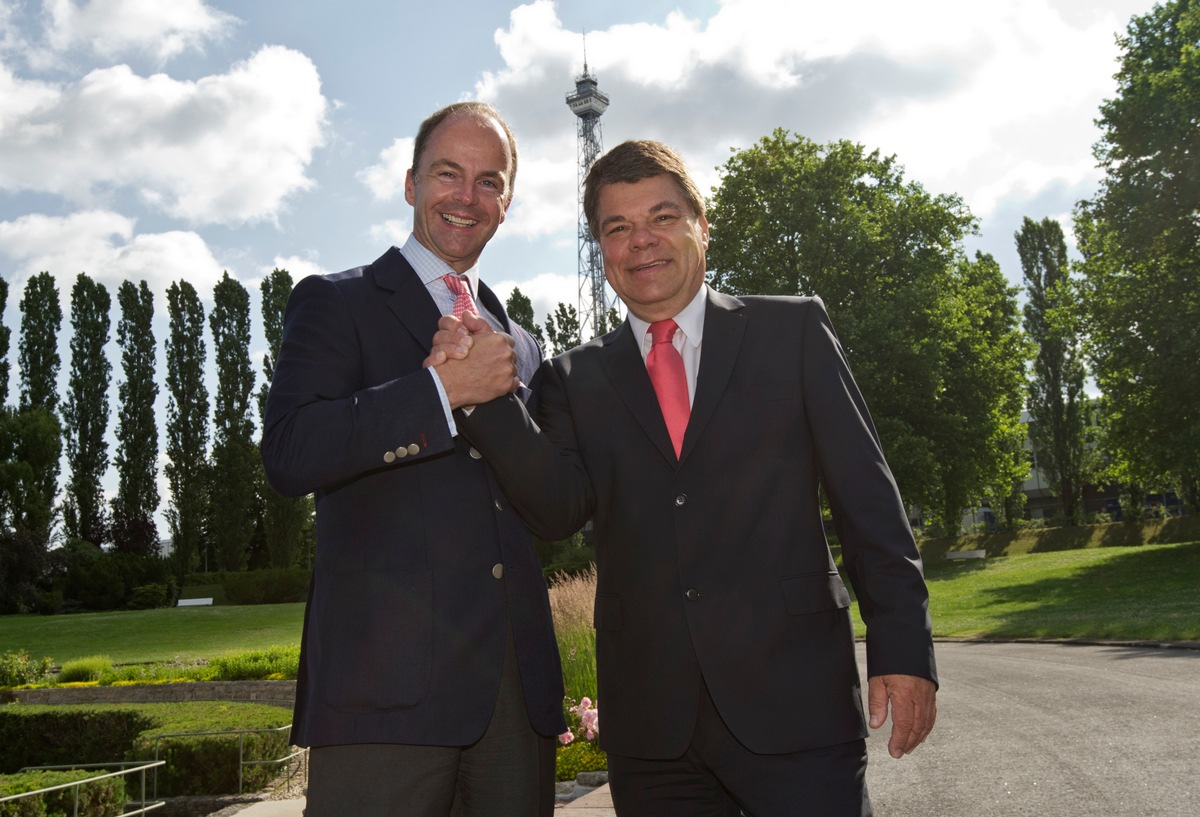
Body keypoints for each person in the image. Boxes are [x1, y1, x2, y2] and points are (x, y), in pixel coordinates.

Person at [433, 139, 938, 816]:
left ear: (702, 223)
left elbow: (869, 504)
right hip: (654, 734)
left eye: (662, 217)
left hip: (795, 708)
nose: (641, 242)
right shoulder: (573, 379)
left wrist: (902, 647)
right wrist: (482, 402)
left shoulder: (791, 332)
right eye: (617, 227)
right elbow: (556, 511)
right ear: (601, 249)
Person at [260, 101, 566, 817]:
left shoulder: (522, 345)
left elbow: (548, 506)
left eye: (489, 181)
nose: (467, 196)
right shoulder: (336, 303)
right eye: (447, 173)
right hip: (381, 701)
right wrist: (440, 391)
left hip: (512, 709)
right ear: (409, 183)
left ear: (507, 203)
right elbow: (291, 452)